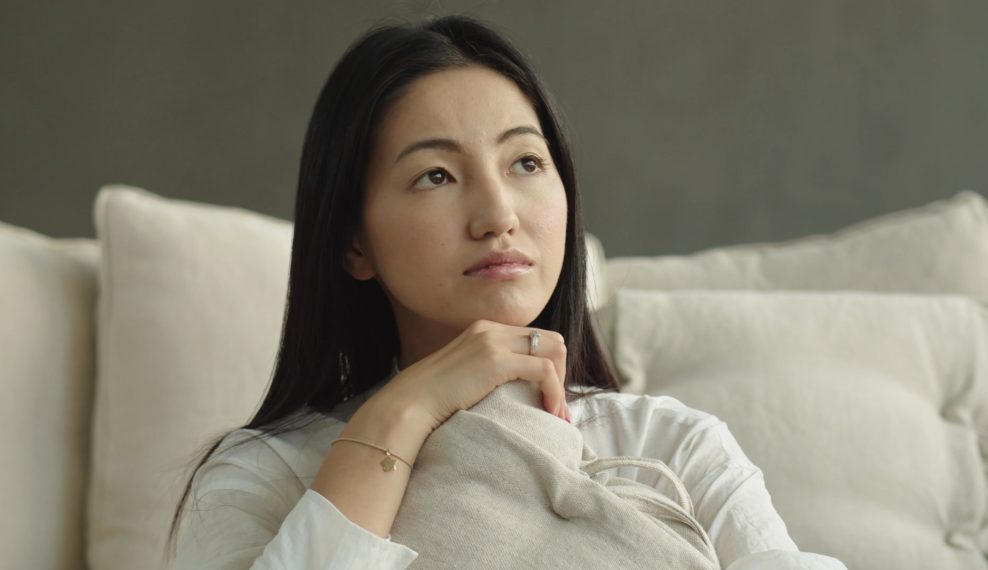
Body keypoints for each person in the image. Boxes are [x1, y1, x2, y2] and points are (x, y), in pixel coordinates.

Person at [166, 14, 848, 569]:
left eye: (526, 161)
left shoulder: (671, 448)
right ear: (354, 243)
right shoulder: (267, 475)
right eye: (436, 175)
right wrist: (406, 411)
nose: (499, 215)